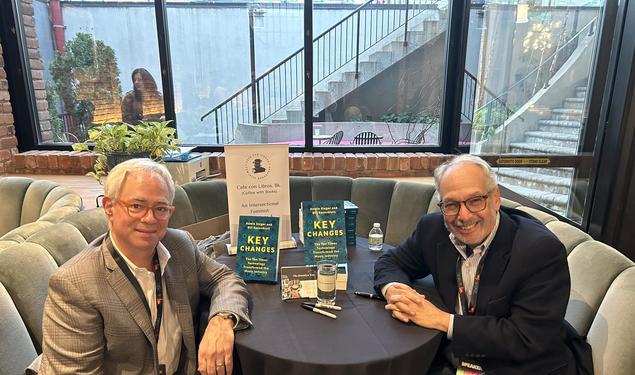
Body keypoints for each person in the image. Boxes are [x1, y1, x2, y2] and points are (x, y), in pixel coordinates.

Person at [39, 158, 250, 375]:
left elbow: (224, 278)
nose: (149, 219)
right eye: (136, 206)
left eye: (160, 208)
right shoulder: (74, 285)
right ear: (109, 207)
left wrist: (222, 320)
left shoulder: (180, 245)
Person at [374, 154, 578, 374]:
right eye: (451, 204)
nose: (463, 215)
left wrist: (442, 320)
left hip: (519, 365)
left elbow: (527, 338)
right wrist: (395, 290)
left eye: (475, 201)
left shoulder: (539, 251)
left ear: (496, 198)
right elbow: (392, 261)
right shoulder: (433, 230)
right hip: (454, 357)